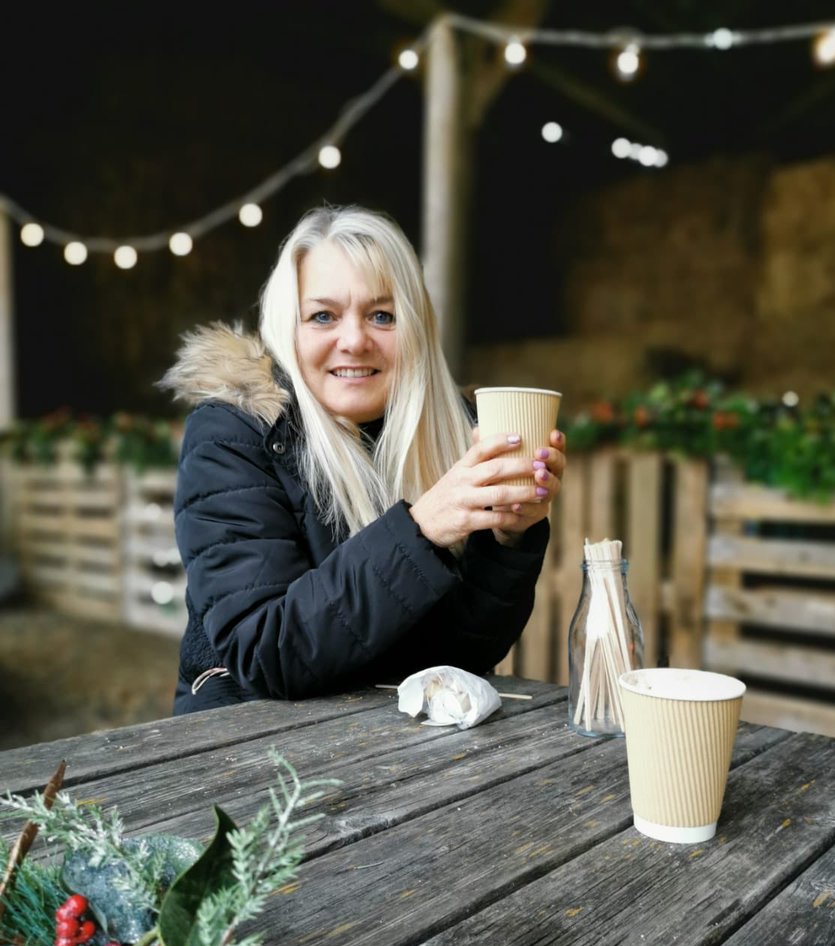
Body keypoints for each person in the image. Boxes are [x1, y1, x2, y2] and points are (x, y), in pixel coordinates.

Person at [161, 204, 566, 714]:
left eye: (381, 316)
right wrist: (422, 531)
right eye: (323, 316)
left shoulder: (449, 433)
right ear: (290, 328)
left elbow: (464, 655)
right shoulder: (233, 435)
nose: (353, 341)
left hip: (390, 747)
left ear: (415, 327)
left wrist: (509, 541)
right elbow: (266, 654)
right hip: (245, 752)